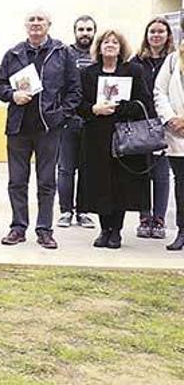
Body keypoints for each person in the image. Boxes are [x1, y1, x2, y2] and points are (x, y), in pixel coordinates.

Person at [0, 9, 81, 250]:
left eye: (40, 19)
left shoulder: (62, 53)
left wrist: (61, 115)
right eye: (31, 20)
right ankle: (18, 227)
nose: (35, 23)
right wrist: (13, 95)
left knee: (46, 182)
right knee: (17, 181)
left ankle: (45, 230)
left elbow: (75, 90)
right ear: (25, 25)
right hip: (18, 127)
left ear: (49, 24)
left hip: (48, 129)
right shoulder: (13, 54)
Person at [77, 30, 153, 249]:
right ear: (99, 47)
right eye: (106, 42)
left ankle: (116, 231)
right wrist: (94, 109)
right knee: (100, 183)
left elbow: (144, 103)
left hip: (124, 138)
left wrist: (119, 108)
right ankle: (104, 230)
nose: (110, 45)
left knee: (120, 184)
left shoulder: (133, 70)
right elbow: (78, 104)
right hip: (96, 138)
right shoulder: (88, 73)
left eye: (115, 43)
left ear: (121, 48)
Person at [131, 17, 176, 239]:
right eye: (152, 32)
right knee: (142, 172)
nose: (156, 35)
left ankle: (159, 219)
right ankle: (144, 216)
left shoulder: (174, 61)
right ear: (146, 36)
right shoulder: (136, 61)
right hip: (142, 122)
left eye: (161, 32)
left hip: (166, 123)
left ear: (168, 36)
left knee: (161, 173)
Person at [57, 15, 98, 229]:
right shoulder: (66, 54)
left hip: (93, 121)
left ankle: (83, 211)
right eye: (81, 29)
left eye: (89, 29)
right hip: (69, 120)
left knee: (87, 168)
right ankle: (65, 211)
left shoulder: (99, 55)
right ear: (75, 32)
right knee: (65, 169)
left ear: (94, 32)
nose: (85, 33)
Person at [153, 19, 184, 251]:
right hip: (177, 134)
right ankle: (182, 231)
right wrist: (171, 118)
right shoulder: (173, 59)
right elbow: (159, 91)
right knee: (181, 185)